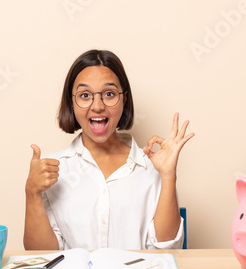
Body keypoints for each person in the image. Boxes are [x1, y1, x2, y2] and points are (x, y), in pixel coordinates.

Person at [24, 49, 194, 250]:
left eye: (109, 94)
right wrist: (32, 192)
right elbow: (43, 256)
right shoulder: (49, 171)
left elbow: (167, 251)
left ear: (124, 99)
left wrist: (168, 176)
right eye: (85, 95)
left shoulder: (153, 166)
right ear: (72, 102)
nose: (97, 106)